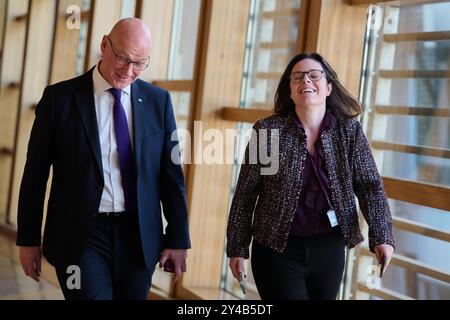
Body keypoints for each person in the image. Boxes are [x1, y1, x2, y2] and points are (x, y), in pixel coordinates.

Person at [16, 18, 190, 300]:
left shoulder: (159, 101)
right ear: (104, 45)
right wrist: (27, 239)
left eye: (140, 63)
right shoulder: (59, 99)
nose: (129, 71)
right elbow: (35, 175)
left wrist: (178, 238)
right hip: (80, 239)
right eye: (122, 58)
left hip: (139, 237)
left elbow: (170, 176)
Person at [226, 52, 394, 300]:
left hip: (330, 248)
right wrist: (237, 247)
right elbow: (246, 194)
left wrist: (381, 235)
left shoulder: (349, 132)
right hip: (276, 249)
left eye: (314, 76)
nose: (306, 81)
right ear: (290, 91)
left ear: (328, 87)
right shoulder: (268, 131)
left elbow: (370, 187)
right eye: (297, 78)